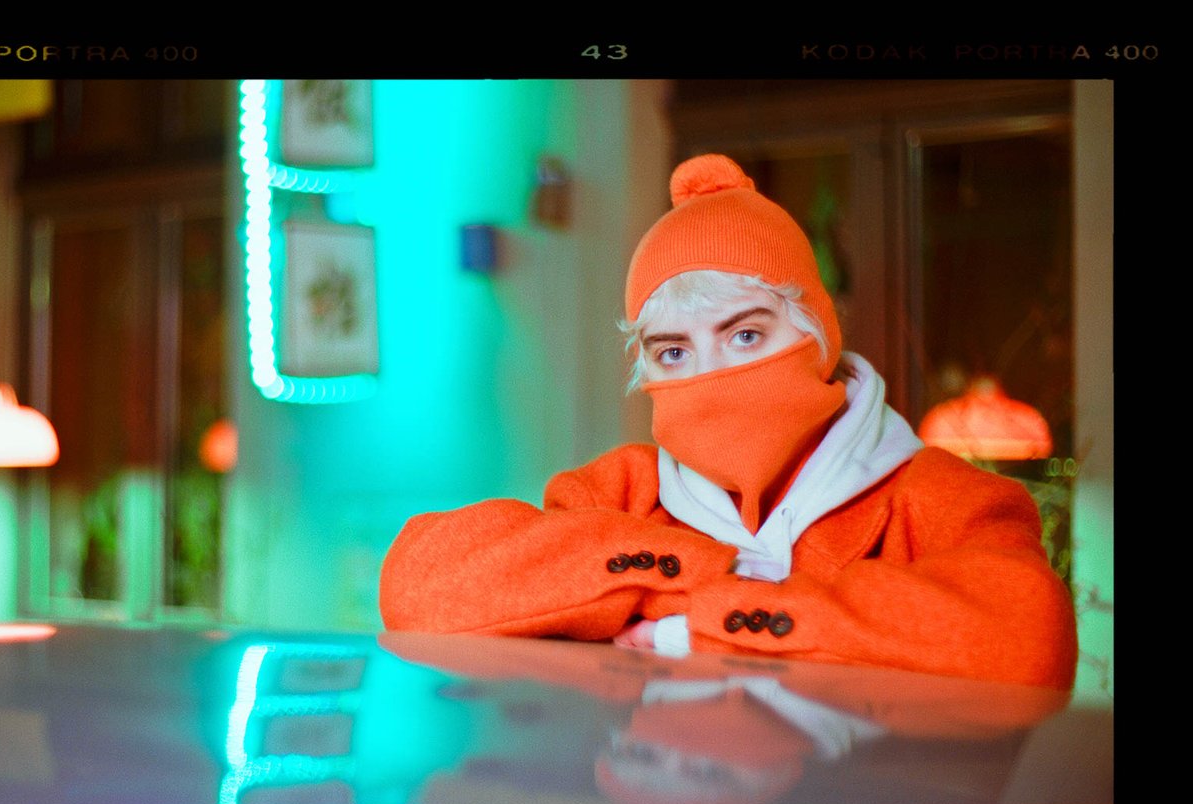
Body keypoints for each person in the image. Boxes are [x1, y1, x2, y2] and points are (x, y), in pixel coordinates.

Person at [379, 153, 1077, 690]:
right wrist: (691, 576)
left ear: (817, 335)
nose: (711, 375)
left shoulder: (933, 495)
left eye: (745, 335)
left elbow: (1029, 632)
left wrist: (704, 627)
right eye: (675, 352)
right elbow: (419, 581)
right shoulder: (624, 490)